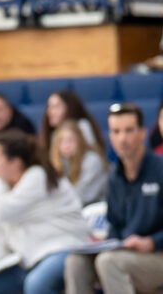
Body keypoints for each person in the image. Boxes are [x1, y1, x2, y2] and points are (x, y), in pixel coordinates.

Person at [0, 130, 88, 294]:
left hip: (63, 249)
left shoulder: (38, 176)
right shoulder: (7, 186)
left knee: (36, 285)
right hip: (29, 259)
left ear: (15, 162)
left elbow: (4, 212)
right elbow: (0, 232)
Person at [64, 103, 163, 294]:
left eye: (128, 131)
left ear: (143, 133)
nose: (122, 139)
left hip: (157, 253)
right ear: (109, 136)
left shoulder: (160, 169)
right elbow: (115, 224)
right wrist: (103, 242)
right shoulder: (114, 176)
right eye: (116, 132)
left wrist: (152, 241)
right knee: (75, 262)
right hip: (129, 252)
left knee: (109, 262)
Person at [49, 118, 108, 205]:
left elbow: (81, 196)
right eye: (61, 141)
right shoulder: (62, 161)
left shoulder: (92, 161)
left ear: (80, 140)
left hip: (95, 209)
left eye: (70, 140)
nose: (66, 145)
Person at [39, 90, 106, 159]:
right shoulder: (53, 134)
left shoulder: (82, 126)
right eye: (49, 107)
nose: (50, 112)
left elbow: (94, 154)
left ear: (69, 107)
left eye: (56, 106)